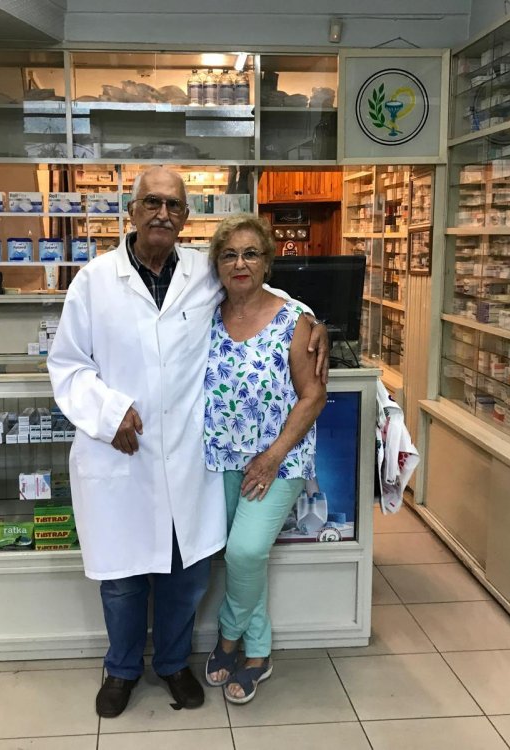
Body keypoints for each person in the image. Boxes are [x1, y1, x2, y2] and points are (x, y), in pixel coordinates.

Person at [47, 166, 328, 719]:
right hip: (121, 452)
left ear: (185, 216)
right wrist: (109, 411)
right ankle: (122, 669)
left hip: (187, 455)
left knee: (185, 574)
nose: (162, 213)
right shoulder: (94, 281)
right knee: (123, 579)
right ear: (131, 211)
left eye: (173, 205)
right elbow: (67, 365)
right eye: (151, 202)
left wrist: (314, 321)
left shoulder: (202, 271)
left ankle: (174, 664)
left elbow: (257, 288)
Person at [202, 214, 326, 704]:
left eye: (250, 253)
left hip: (278, 461)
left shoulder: (295, 321)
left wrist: (274, 456)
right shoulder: (206, 316)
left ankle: (228, 636)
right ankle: (258, 653)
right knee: (239, 558)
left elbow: (313, 396)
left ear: (267, 262)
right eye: (229, 254)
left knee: (245, 553)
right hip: (218, 458)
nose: (240, 263)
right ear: (217, 264)